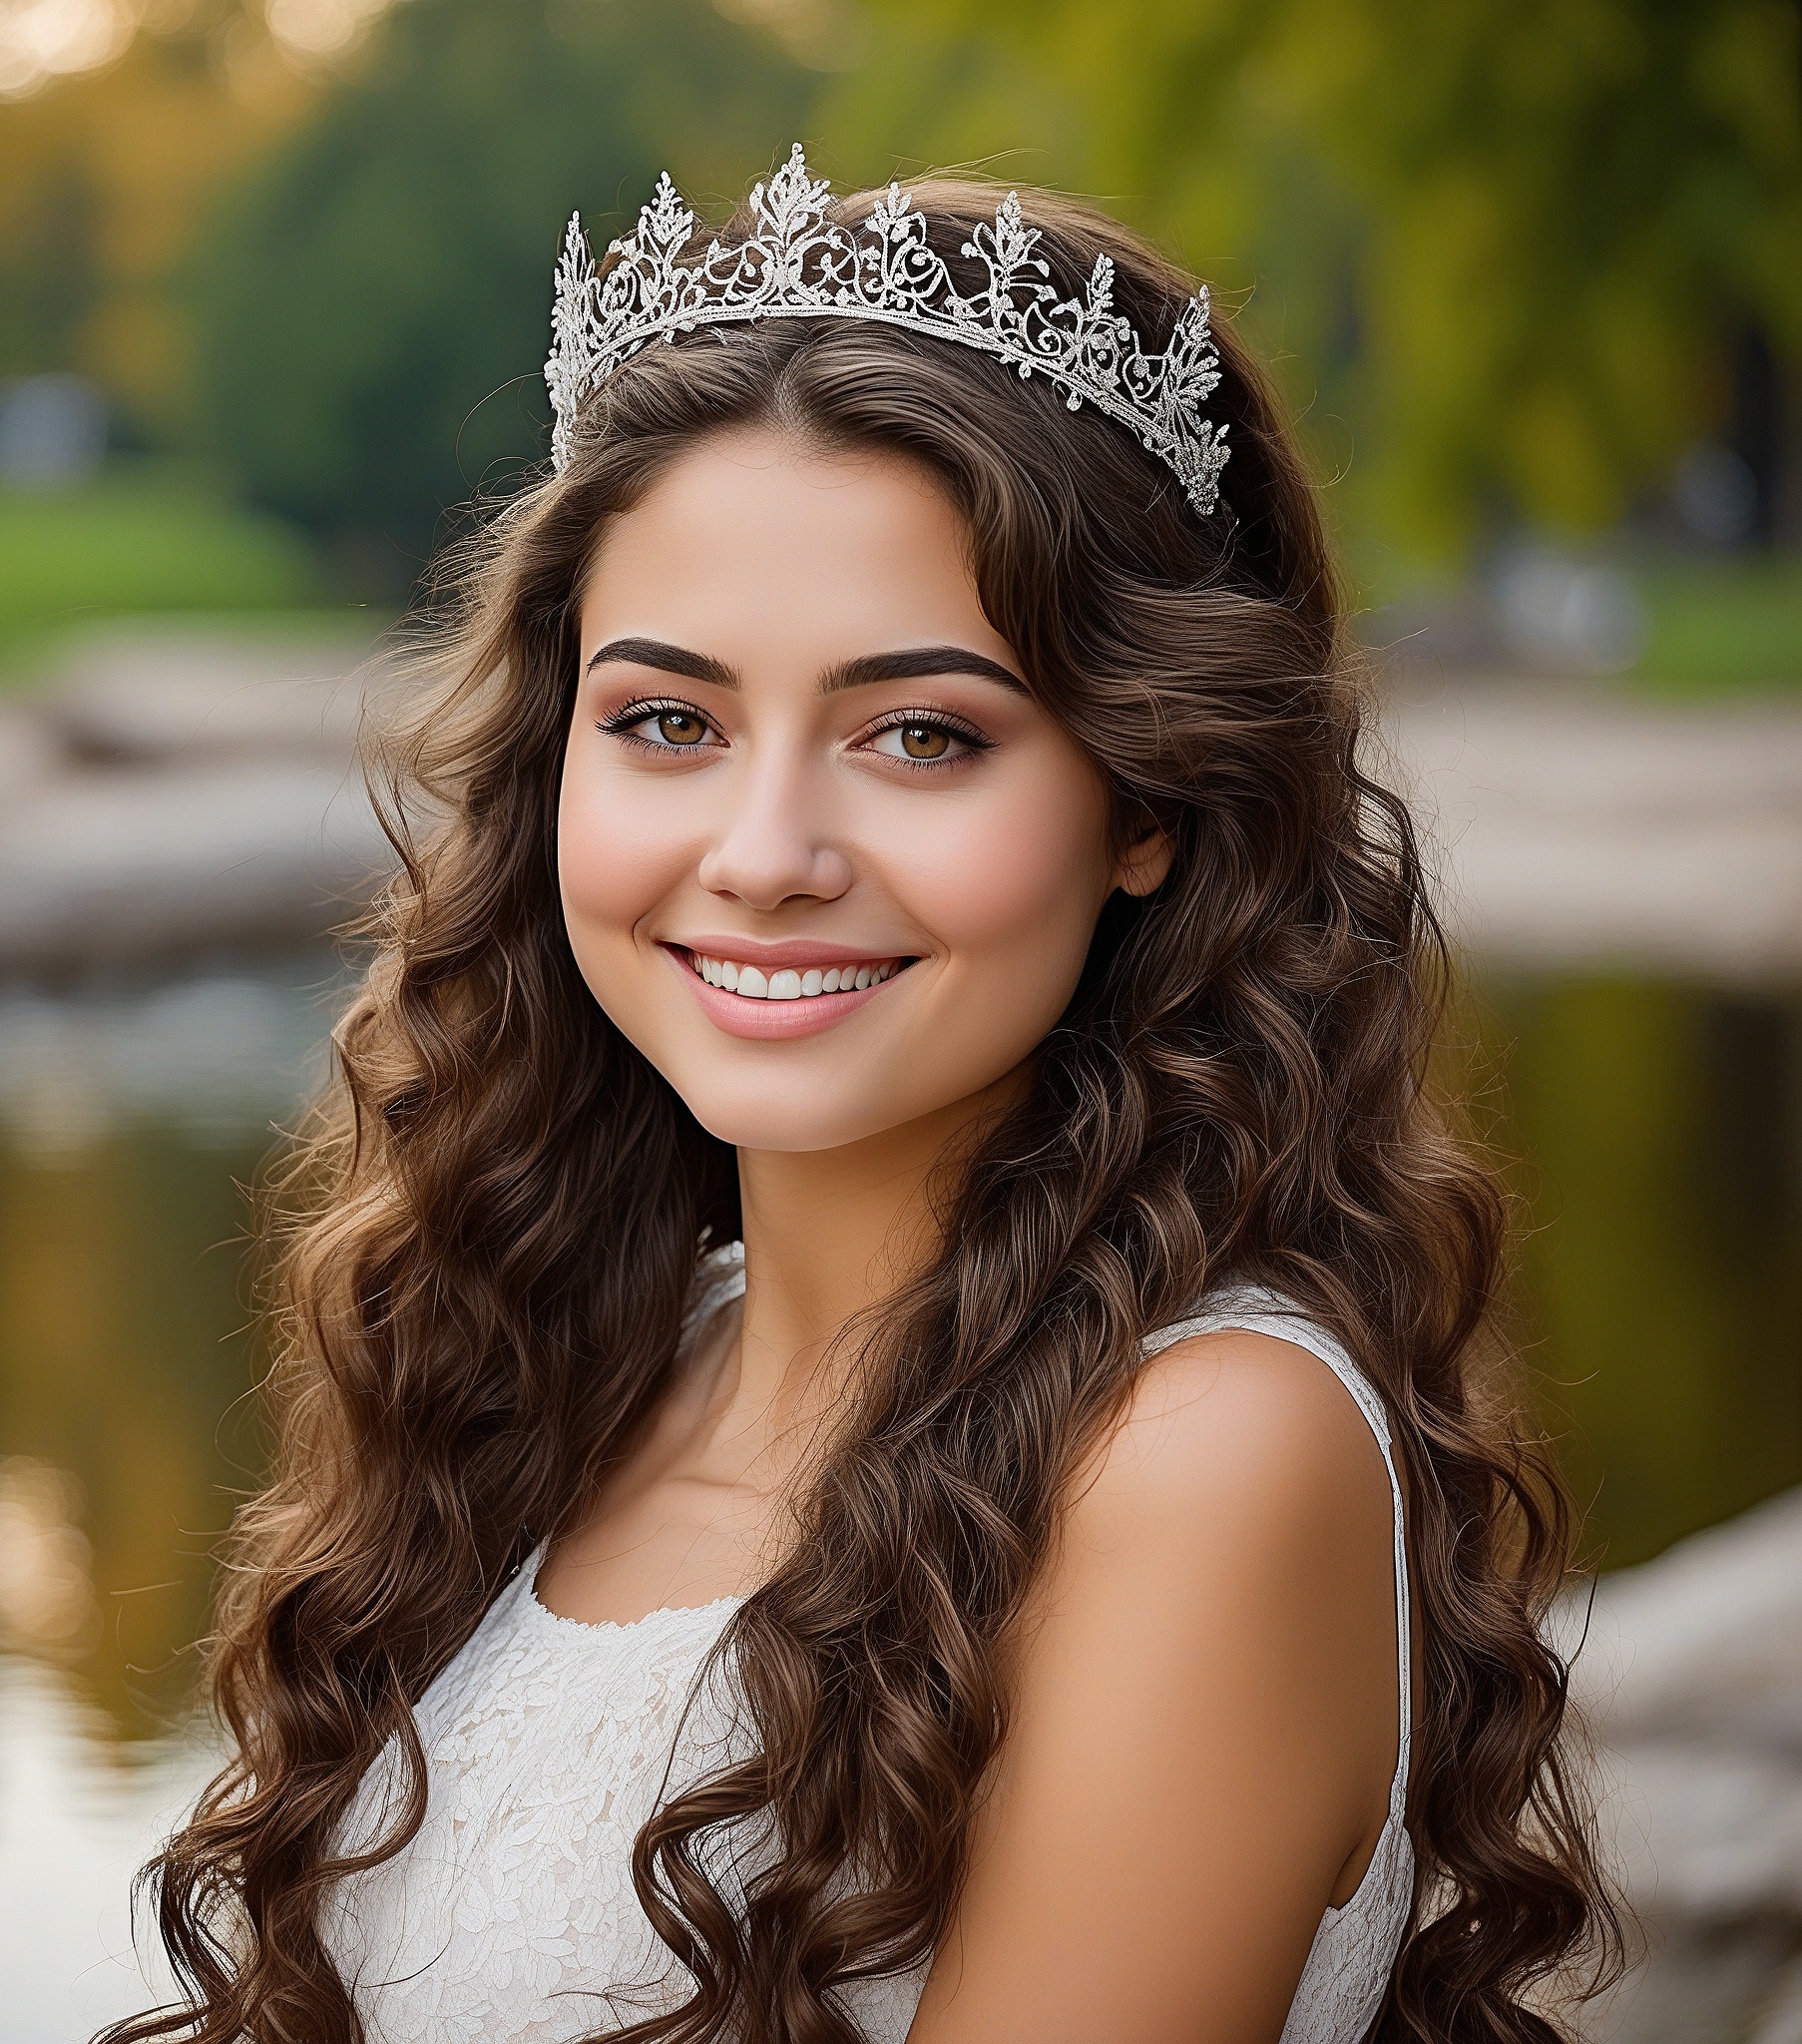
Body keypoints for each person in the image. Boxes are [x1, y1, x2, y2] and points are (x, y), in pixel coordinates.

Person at [108, 152, 1617, 2044]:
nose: (765, 853)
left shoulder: (1200, 1458)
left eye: (923, 734)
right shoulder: (588, 1361)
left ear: (1145, 800)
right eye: (669, 719)